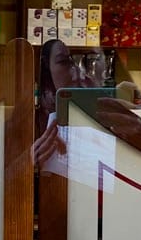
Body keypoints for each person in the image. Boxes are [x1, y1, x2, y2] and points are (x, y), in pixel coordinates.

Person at [32, 39, 103, 170]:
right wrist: (30, 163)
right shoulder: (31, 116)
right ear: (46, 68)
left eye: (74, 62)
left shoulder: (93, 107)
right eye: (64, 62)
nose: (74, 70)